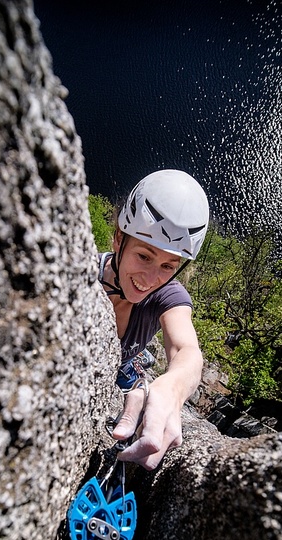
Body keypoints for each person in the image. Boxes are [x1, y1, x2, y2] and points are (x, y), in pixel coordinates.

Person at [99, 169, 209, 472]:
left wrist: (171, 390)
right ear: (119, 239)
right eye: (144, 257)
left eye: (167, 266)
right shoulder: (82, 276)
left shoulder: (168, 294)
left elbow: (186, 350)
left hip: (124, 370)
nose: (150, 279)